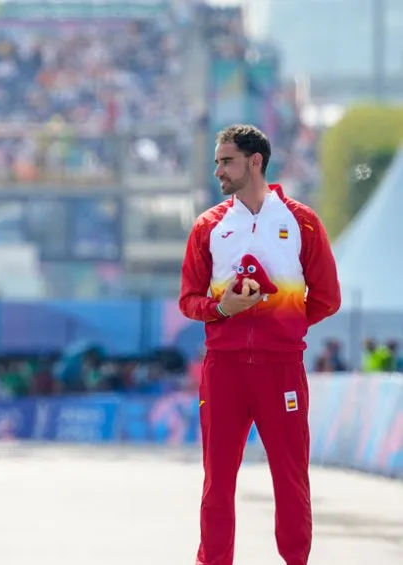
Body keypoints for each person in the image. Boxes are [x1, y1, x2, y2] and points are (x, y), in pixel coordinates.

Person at [179, 124, 341, 565]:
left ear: (255, 162)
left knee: (290, 480)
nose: (218, 171)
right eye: (216, 162)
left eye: (226, 161)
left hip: (281, 369)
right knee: (218, 482)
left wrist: (282, 326)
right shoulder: (208, 226)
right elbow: (189, 300)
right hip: (225, 370)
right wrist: (222, 309)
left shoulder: (301, 221)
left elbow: (328, 298)